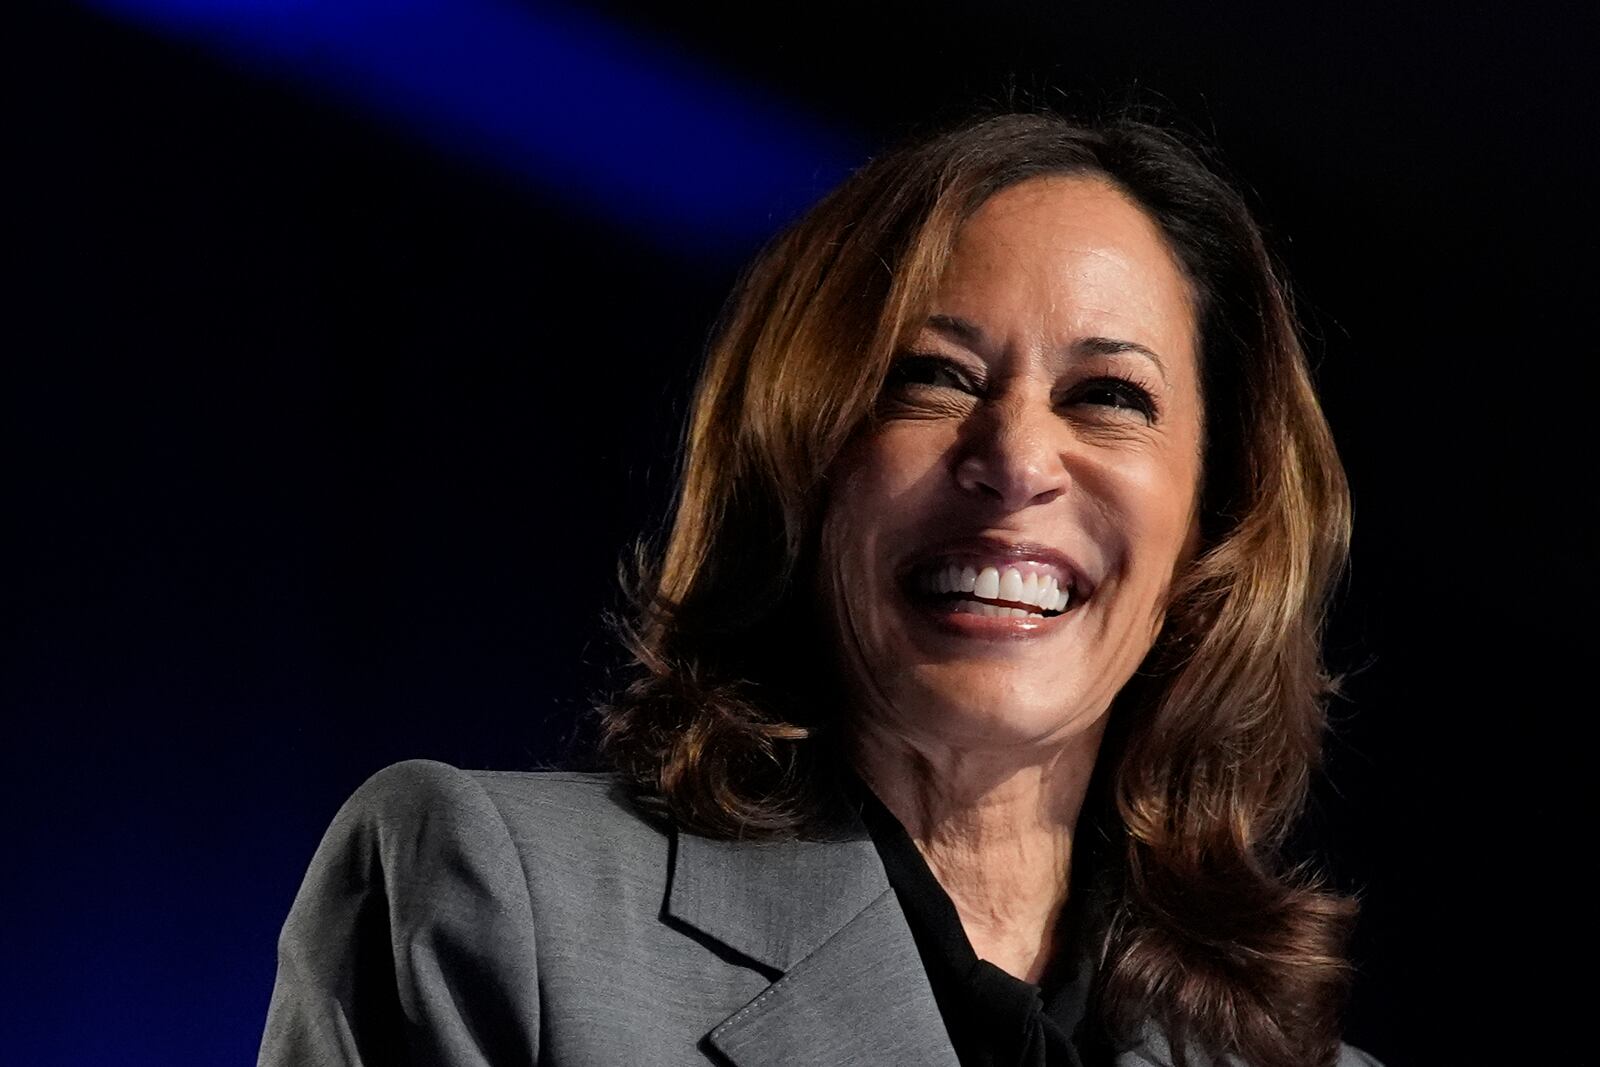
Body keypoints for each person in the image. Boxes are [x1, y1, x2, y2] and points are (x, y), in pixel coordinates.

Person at [257, 112, 1381, 1067]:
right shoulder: (494, 894)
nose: (1018, 459)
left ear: (1212, 523)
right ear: (801, 468)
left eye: (1108, 396)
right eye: (930, 378)